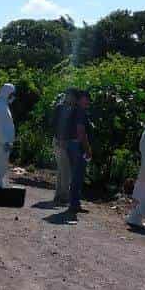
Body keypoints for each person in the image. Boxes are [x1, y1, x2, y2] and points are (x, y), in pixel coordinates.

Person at [60, 89, 92, 222]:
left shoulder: (73, 110)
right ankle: (74, 204)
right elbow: (80, 131)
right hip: (76, 145)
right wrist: (87, 149)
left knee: (76, 175)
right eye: (85, 98)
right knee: (78, 175)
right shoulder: (80, 111)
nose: (88, 101)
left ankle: (75, 203)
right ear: (79, 100)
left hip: (71, 145)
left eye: (88, 98)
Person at [50, 90, 73, 205]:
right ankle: (64, 196)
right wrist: (61, 139)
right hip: (61, 141)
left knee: (61, 169)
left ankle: (58, 194)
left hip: (59, 140)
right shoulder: (63, 108)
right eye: (71, 95)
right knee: (65, 170)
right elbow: (57, 124)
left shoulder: (62, 107)